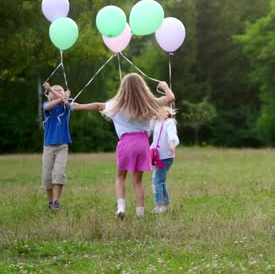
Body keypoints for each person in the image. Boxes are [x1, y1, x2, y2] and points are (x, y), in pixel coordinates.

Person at [72, 73, 175, 218]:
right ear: (142, 88)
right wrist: (164, 86)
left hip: (126, 144)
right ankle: (140, 213)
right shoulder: (149, 104)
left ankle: (121, 208)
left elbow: (97, 106)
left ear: (123, 89)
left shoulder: (116, 105)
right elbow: (170, 98)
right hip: (142, 144)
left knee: (121, 177)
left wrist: (78, 106)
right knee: (137, 181)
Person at [41, 82, 72, 210]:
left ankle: (56, 202)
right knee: (47, 176)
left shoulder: (66, 106)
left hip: (62, 146)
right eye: (54, 90)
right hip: (48, 146)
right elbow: (48, 108)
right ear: (49, 95)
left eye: (60, 90)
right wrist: (60, 94)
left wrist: (53, 91)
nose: (57, 91)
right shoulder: (47, 104)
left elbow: (64, 102)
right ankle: (50, 203)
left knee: (59, 174)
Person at [150, 108, 180, 214]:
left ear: (167, 113)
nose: (156, 112)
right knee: (160, 180)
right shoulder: (157, 122)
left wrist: (172, 143)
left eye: (159, 110)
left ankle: (160, 205)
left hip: (166, 157)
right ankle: (165, 203)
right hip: (158, 156)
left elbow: (172, 134)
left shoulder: (169, 122)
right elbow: (149, 127)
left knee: (157, 180)